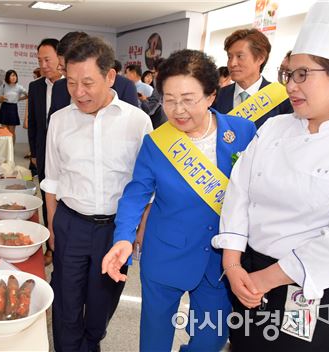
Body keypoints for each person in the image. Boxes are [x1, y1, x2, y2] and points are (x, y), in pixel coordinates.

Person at [212, 1, 329, 350]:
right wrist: (232, 263)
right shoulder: (274, 127)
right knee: (245, 345)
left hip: (308, 285)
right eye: (288, 73)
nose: (290, 86)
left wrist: (266, 279)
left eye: (304, 74)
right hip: (247, 273)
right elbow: (239, 193)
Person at [102, 49, 256, 351]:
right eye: (170, 99)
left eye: (188, 99)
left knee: (210, 340)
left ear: (211, 96)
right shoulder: (157, 142)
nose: (178, 109)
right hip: (165, 254)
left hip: (221, 262)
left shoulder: (242, 132)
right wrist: (123, 238)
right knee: (155, 340)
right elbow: (136, 194)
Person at [41, 36, 152, 352]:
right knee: (66, 305)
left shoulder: (137, 122)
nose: (78, 92)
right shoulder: (60, 120)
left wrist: (136, 232)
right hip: (71, 224)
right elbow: (52, 180)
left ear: (110, 77)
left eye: (87, 83)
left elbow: (144, 185)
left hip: (116, 232)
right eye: (71, 82)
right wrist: (52, 228)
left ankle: (92, 344)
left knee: (101, 306)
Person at [213, 28, 293, 128]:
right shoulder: (217, 97)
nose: (232, 63)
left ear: (260, 59)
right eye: (229, 57)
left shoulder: (282, 98)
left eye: (240, 56)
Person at [27, 38, 62, 266]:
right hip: (43, 153)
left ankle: (64, 248)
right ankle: (50, 248)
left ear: (60, 58)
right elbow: (34, 124)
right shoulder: (36, 87)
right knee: (46, 200)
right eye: (40, 60)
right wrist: (34, 153)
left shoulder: (71, 86)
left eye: (47, 59)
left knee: (64, 202)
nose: (43, 64)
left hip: (65, 157)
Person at [48, 31, 138, 117]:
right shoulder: (58, 87)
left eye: (87, 83)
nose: (78, 93)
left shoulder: (125, 86)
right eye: (63, 68)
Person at [0, 69, 28, 144]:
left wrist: (18, 99)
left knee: (12, 131)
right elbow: (0, 99)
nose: (14, 77)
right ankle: (4, 147)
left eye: (15, 75)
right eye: (12, 76)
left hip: (13, 108)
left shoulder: (19, 87)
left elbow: (28, 95)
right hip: (4, 107)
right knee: (4, 130)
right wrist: (1, 98)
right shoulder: (3, 86)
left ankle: (11, 148)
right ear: (8, 77)